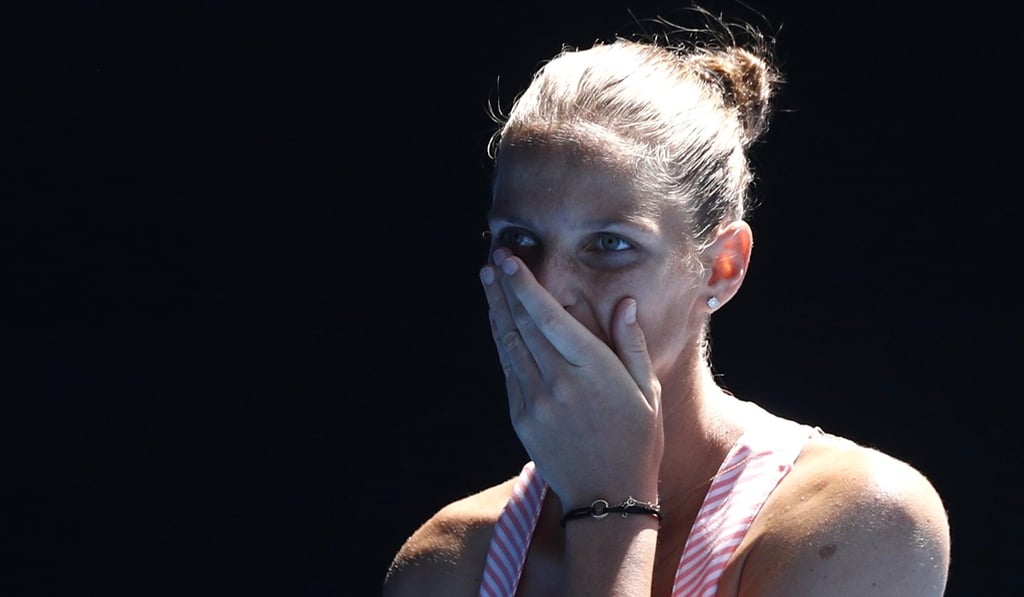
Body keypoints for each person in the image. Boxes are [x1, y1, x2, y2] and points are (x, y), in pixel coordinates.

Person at [382, 7, 951, 596]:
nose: (549, 289)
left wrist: (609, 503)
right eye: (519, 241)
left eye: (609, 244)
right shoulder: (448, 563)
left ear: (721, 267)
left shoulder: (860, 519)